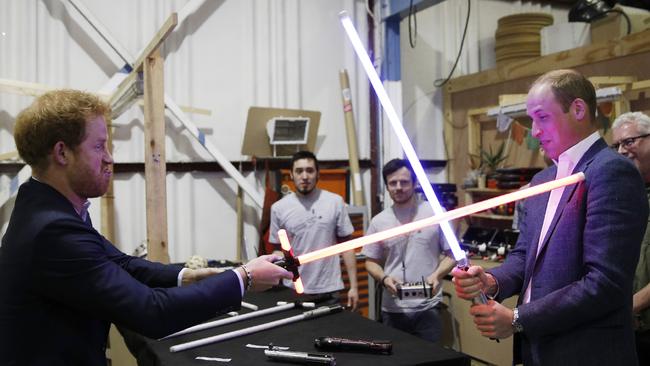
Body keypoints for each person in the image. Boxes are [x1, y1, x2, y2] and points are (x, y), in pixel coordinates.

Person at [0, 89, 292, 365]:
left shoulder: (48, 207)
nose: (110, 158)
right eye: (99, 146)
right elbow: (153, 312)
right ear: (62, 153)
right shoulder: (53, 229)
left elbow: (122, 264)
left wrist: (190, 276)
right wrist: (245, 278)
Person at [452, 70, 648, 365]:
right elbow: (525, 256)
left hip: (586, 353)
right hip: (538, 350)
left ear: (578, 109)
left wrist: (517, 318)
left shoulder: (611, 172)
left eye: (542, 117)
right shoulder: (544, 179)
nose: (534, 131)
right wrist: (492, 281)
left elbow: (604, 283)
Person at [362, 158, 455, 343]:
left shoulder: (436, 213)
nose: (398, 187)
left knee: (430, 360)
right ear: (387, 186)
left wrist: (437, 275)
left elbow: (453, 255)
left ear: (414, 182)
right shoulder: (378, 221)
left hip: (428, 307)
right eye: (392, 183)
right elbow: (370, 261)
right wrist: (384, 278)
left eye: (404, 182)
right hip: (392, 309)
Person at [269, 151, 358, 310]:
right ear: (291, 174)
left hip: (330, 289)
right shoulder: (278, 208)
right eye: (299, 171)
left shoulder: (335, 202)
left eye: (310, 170)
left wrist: (354, 287)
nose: (305, 176)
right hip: (294, 289)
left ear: (317, 174)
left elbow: (347, 247)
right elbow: (277, 250)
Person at [612, 111, 650, 365]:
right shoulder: (620, 194)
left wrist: (631, 305)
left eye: (629, 142)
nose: (622, 151)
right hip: (624, 327)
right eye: (616, 145)